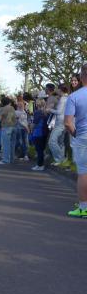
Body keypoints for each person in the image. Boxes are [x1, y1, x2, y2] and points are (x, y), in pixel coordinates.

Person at [64, 63, 87, 218]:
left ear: (82, 76)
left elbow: (67, 122)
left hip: (83, 136)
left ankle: (84, 207)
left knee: (84, 172)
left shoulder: (74, 96)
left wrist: (75, 134)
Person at [48, 83, 70, 166]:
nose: (56, 90)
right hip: (65, 122)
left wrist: (49, 109)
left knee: (52, 141)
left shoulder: (63, 99)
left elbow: (59, 112)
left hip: (60, 123)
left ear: (60, 89)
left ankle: (59, 158)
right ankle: (61, 160)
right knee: (60, 142)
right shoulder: (68, 98)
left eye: (57, 89)